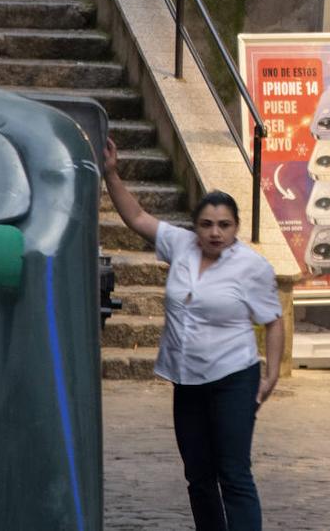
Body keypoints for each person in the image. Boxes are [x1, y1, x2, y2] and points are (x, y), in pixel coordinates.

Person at [103, 139, 282, 531]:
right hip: (187, 380)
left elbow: (273, 320)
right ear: (195, 226)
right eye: (207, 224)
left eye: (224, 225)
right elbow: (136, 217)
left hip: (234, 377)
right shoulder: (180, 246)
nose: (215, 233)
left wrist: (271, 376)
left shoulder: (252, 266)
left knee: (233, 472)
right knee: (198, 477)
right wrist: (112, 173)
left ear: (236, 227)